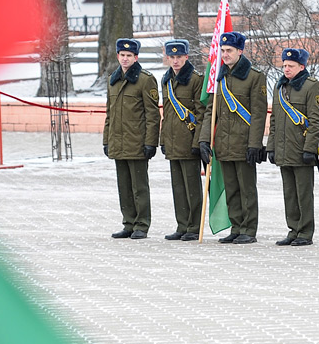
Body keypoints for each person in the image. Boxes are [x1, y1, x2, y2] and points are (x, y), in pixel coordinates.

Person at [199, 31, 268, 244]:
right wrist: (203, 139)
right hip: (223, 144)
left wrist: (255, 144)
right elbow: (211, 112)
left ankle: (249, 229)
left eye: (229, 51)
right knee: (231, 189)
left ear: (240, 51)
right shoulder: (218, 77)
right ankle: (236, 227)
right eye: (222, 51)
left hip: (244, 143)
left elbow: (258, 113)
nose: (225, 54)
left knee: (247, 190)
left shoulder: (254, 77)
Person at [104, 38, 160, 239]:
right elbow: (109, 114)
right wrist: (106, 140)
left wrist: (150, 142)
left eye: (129, 55)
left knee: (139, 187)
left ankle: (141, 224)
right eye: (122, 55)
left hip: (137, 142)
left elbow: (152, 115)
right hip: (118, 142)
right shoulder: (114, 79)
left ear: (136, 57)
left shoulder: (145, 80)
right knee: (124, 187)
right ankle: (128, 222)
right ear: (118, 56)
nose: (125, 58)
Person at [267, 47, 319, 246]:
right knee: (289, 193)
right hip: (284, 149)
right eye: (284, 65)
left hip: (301, 149)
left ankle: (305, 232)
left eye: (290, 66)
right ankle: (293, 229)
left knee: (303, 193)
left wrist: (310, 148)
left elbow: (316, 121)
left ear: (302, 66)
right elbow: (274, 120)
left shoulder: (311, 86)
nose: (286, 69)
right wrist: (271, 147)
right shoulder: (280, 87)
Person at [159, 39, 205, 241]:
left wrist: (197, 143)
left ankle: (194, 227)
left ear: (186, 57)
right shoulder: (166, 80)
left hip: (188, 141)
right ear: (167, 58)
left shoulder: (196, 80)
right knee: (178, 187)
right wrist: (163, 139)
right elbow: (166, 114)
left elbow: (201, 114)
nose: (176, 61)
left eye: (179, 57)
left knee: (192, 187)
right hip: (172, 141)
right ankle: (182, 224)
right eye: (172, 57)